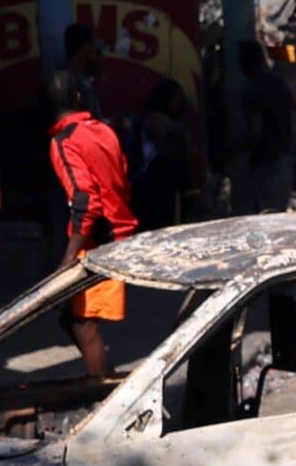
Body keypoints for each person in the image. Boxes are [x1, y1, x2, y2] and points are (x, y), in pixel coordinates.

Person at [45, 68, 137, 377]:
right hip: (118, 233)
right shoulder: (104, 130)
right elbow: (123, 177)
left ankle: (105, 404)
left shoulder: (63, 141)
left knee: (83, 326)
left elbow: (84, 200)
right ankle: (108, 383)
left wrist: (69, 258)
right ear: (79, 97)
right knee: (71, 320)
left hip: (97, 242)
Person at [237, 40, 295, 214]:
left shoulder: (252, 91)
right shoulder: (278, 83)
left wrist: (234, 151)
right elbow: (295, 103)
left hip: (265, 160)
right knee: (277, 211)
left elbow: (256, 131)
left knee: (266, 213)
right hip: (283, 155)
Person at [133, 78, 196, 230]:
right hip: (156, 187)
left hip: (166, 187)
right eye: (175, 98)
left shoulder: (152, 120)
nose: (178, 102)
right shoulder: (154, 120)